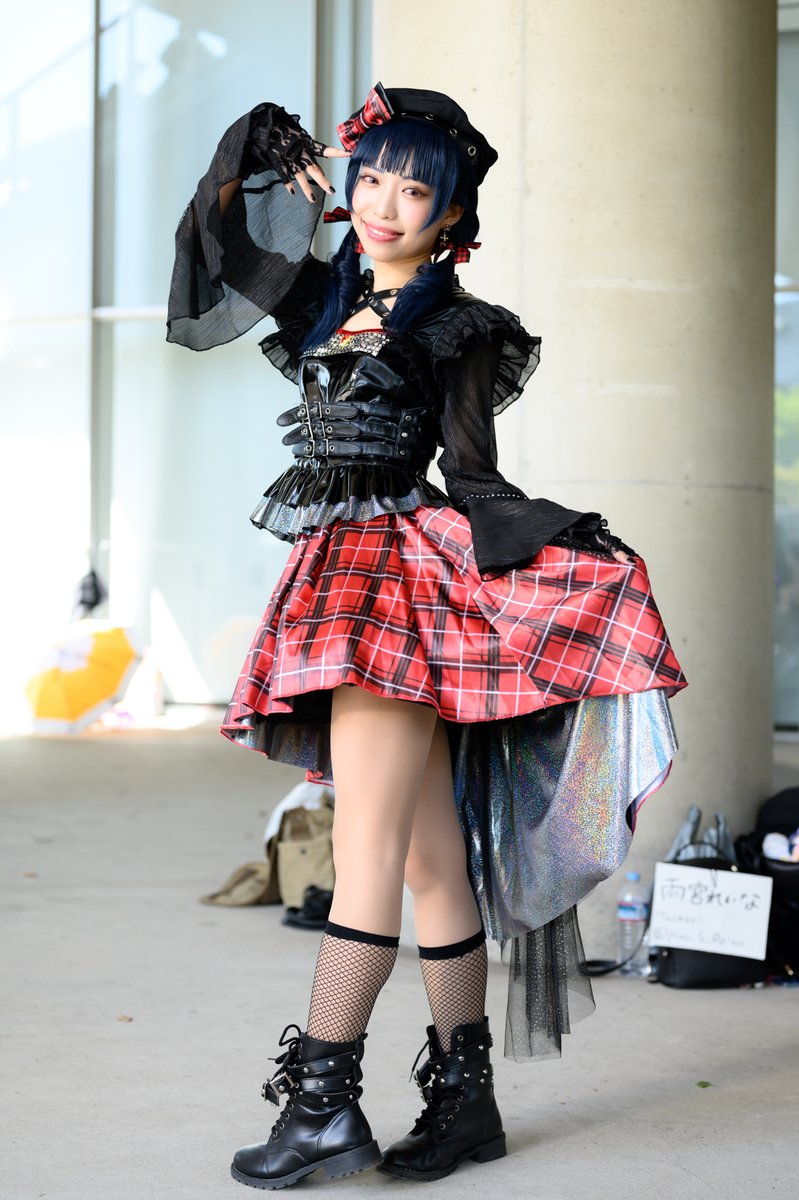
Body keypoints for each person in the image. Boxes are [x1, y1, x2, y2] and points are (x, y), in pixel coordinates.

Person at [167, 82, 686, 1190]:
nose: (383, 204)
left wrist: (568, 547)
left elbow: (474, 475)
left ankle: (323, 1106)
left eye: (413, 190)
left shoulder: (456, 326)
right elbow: (217, 252)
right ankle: (467, 1103)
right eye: (371, 180)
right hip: (337, 577)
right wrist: (258, 157)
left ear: (452, 216)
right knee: (426, 859)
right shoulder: (323, 297)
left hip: (390, 594)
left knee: (367, 857)